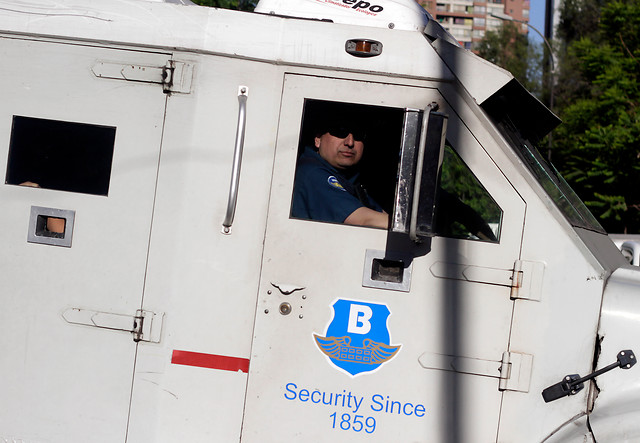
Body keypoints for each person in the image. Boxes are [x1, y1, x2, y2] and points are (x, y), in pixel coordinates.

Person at [291, 120, 389, 229]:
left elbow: (380, 215)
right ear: (318, 139)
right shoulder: (312, 173)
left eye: (358, 135)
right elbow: (363, 219)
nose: (350, 142)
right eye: (340, 132)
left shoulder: (349, 179)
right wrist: (406, 225)